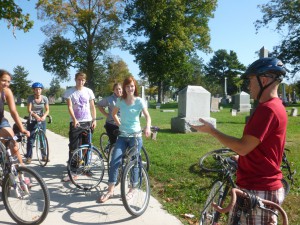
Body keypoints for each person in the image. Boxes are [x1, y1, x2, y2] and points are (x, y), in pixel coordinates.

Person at [191, 57, 288, 225]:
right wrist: (243, 160)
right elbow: (259, 148)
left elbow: (243, 147)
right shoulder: (273, 106)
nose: (248, 86)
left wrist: (212, 131)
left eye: (251, 80)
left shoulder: (268, 110)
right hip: (255, 185)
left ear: (263, 80)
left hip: (259, 188)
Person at [99, 76, 151, 203]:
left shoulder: (139, 101)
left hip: (135, 137)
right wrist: (119, 123)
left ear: (135, 87)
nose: (130, 88)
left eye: (132, 86)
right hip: (122, 136)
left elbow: (147, 116)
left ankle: (132, 189)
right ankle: (110, 190)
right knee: (114, 161)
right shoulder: (121, 101)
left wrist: (148, 127)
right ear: (124, 88)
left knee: (134, 162)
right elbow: (113, 113)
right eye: (127, 86)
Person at [63, 72, 96, 181]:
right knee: (74, 147)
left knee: (87, 146)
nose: (80, 82)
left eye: (82, 80)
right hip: (76, 123)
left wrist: (94, 119)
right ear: (75, 80)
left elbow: (92, 106)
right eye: (78, 79)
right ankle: (73, 171)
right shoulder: (70, 92)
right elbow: (70, 107)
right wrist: (74, 119)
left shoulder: (88, 91)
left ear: (85, 81)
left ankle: (86, 168)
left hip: (87, 122)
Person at [0, 69, 30, 164]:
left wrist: (22, 129)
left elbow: (13, 111)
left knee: (13, 143)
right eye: (3, 80)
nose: (6, 83)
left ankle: (21, 173)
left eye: (8, 81)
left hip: (1, 121)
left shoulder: (7, 92)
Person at [25, 82, 49, 164]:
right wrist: (35, 116)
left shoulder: (45, 98)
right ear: (33, 90)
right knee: (31, 139)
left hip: (42, 120)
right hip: (32, 119)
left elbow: (47, 109)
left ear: (41, 90)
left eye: (39, 89)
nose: (38, 91)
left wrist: (44, 116)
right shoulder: (30, 98)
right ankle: (29, 156)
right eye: (36, 89)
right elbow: (29, 110)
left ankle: (44, 156)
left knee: (42, 139)